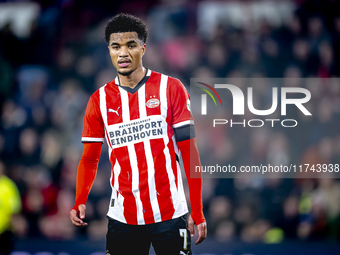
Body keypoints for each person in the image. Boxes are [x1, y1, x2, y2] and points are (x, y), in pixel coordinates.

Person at [69, 13, 207, 255]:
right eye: (116, 46)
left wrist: (197, 209)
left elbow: (189, 153)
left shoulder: (171, 88)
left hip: (171, 214)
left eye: (130, 45)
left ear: (143, 48)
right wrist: (80, 199)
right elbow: (90, 159)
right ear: (109, 51)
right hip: (122, 217)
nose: (123, 53)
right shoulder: (97, 101)